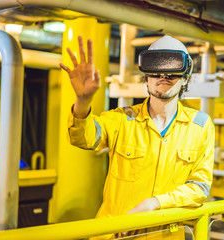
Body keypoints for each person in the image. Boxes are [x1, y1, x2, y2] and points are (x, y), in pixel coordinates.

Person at [60, 35, 215, 238]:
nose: (163, 75)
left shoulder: (200, 125)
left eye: (172, 71)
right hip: (116, 235)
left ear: (185, 77)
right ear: (145, 78)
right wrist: (83, 101)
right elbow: (84, 138)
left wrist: (154, 203)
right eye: (156, 70)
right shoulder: (121, 120)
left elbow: (200, 187)